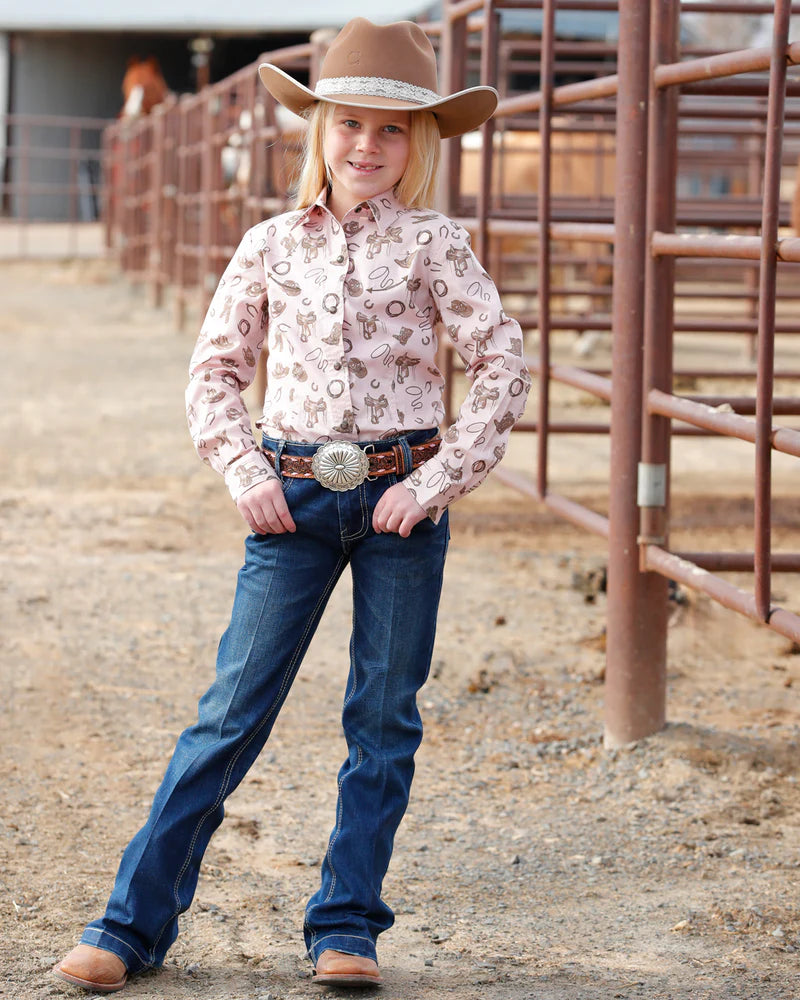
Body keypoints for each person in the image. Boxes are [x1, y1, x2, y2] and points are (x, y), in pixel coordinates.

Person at [55, 17, 530, 993]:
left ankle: (345, 925)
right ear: (317, 131)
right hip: (293, 494)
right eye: (349, 124)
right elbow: (215, 369)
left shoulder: (438, 243)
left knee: (383, 718)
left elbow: (499, 362)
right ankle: (128, 925)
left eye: (392, 131)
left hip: (401, 497)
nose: (367, 146)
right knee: (230, 710)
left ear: (419, 145)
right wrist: (243, 469)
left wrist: (434, 482)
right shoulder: (270, 245)